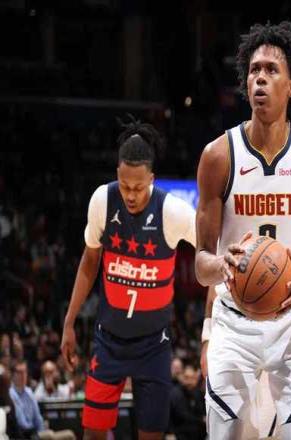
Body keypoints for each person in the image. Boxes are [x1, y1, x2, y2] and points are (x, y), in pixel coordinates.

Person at [196, 21, 291, 439]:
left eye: (271, 70)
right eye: (254, 70)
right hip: (233, 324)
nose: (260, 77)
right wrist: (221, 265)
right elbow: (201, 265)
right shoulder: (218, 156)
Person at [60, 117, 196, 440]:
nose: (130, 195)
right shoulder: (102, 200)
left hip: (154, 347)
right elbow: (89, 262)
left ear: (152, 179)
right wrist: (69, 322)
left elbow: (210, 249)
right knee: (92, 434)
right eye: (124, 186)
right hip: (109, 342)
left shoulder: (173, 211)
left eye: (138, 187)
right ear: (117, 175)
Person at [9, 360, 75, 440]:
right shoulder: (11, 394)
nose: (23, 375)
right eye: (19, 372)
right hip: (23, 435)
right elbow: (22, 423)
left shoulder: (29, 392)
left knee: (69, 435)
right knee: (51, 435)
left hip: (36, 434)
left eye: (24, 372)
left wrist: (41, 432)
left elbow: (38, 418)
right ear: (12, 375)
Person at [168, 365, 206, 440]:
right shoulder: (174, 394)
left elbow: (202, 414)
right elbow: (169, 416)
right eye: (186, 377)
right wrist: (170, 433)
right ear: (182, 377)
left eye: (192, 378)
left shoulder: (198, 393)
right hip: (179, 434)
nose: (189, 381)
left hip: (196, 434)